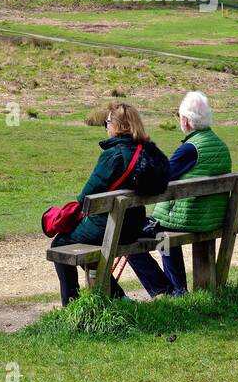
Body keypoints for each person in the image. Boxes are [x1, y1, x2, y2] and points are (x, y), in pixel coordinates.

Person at [51, 102, 168, 306]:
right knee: (91, 247)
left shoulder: (112, 155)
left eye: (107, 122)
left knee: (60, 244)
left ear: (117, 125)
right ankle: (117, 296)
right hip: (134, 226)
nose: (106, 127)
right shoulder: (147, 153)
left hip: (110, 228)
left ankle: (72, 305)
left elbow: (86, 198)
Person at [127, 91, 232, 298]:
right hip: (212, 217)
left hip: (190, 220)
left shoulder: (190, 149)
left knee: (130, 237)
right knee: (164, 234)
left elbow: (159, 177)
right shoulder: (219, 145)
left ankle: (167, 290)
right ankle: (178, 289)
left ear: (185, 120)